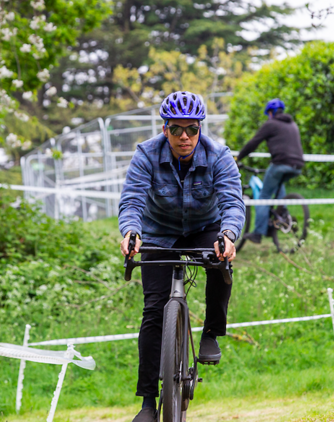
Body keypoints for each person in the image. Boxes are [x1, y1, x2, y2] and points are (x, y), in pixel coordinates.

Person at [118, 91, 246, 422]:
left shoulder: (219, 155)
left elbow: (232, 203)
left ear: (200, 129)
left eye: (192, 129)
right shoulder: (146, 154)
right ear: (165, 130)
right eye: (176, 130)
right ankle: (147, 403)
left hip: (205, 227)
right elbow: (132, 199)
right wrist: (131, 233)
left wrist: (228, 236)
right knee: (153, 311)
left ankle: (211, 333)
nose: (184, 136)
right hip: (159, 231)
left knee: (221, 262)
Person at [236, 98, 304, 244]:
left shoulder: (271, 124)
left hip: (281, 163)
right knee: (278, 185)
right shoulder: (292, 124)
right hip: (297, 165)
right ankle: (283, 214)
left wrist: (238, 157)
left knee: (264, 196)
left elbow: (253, 143)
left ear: (271, 113)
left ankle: (258, 233)